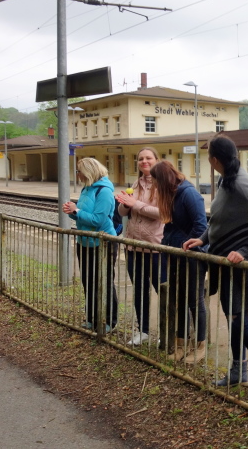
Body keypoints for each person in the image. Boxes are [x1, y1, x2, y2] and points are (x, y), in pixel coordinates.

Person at [183, 136, 248, 393]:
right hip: (227, 263)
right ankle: (238, 371)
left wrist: (244, 251)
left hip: (242, 265)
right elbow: (221, 219)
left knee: (238, 318)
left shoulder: (241, 184)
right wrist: (203, 238)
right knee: (234, 316)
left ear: (214, 160)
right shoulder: (226, 179)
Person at [150, 160, 208, 363]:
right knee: (180, 299)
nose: (154, 185)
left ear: (163, 179)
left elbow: (201, 226)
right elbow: (170, 227)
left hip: (192, 256)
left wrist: (186, 246)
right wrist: (167, 246)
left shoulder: (189, 194)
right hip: (175, 254)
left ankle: (200, 345)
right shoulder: (172, 195)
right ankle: (181, 344)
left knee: (195, 300)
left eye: (155, 181)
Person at [115, 147, 166, 346]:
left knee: (162, 291)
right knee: (139, 290)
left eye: (148, 158)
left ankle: (166, 332)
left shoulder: (163, 184)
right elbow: (123, 213)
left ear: (156, 160)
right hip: (133, 246)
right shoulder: (136, 183)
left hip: (155, 247)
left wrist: (134, 204)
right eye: (141, 159)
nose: (144, 161)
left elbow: (162, 213)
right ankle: (143, 330)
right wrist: (125, 204)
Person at [62, 158, 119, 333]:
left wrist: (77, 210)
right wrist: (72, 212)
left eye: (79, 171)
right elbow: (83, 215)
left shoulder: (104, 191)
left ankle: (109, 320)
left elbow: (97, 220)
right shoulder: (86, 188)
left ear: (88, 172)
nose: (77, 175)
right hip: (85, 241)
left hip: (103, 243)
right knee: (88, 281)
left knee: (104, 281)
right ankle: (92, 317)